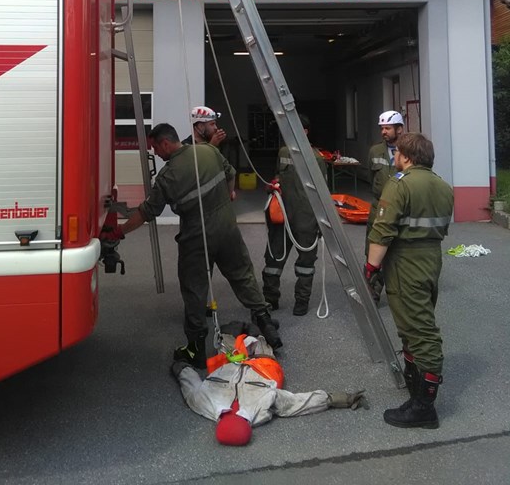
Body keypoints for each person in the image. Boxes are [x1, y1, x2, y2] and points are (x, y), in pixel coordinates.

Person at [112, 123, 282, 367]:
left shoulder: (168, 176)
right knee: (242, 274)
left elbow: (147, 212)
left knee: (194, 289)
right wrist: (227, 196)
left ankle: (195, 350)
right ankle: (265, 322)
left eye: (155, 148)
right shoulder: (208, 151)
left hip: (196, 238)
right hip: (227, 228)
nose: (156, 154)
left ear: (165, 143)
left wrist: (120, 232)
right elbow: (231, 173)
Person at [364, 132, 453, 429]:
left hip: (406, 262)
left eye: (398, 152)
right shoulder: (443, 186)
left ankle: (424, 408)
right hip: (431, 259)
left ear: (406, 156)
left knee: (421, 330)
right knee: (413, 324)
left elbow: (383, 229)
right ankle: (415, 388)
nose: (395, 156)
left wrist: (371, 267)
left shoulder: (399, 184)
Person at [171, 321, 367, 446]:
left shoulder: (203, 403)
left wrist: (181, 367)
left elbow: (190, 384)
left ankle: (253, 326)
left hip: (231, 362)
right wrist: (337, 399)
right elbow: (297, 403)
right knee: (257, 337)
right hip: (262, 366)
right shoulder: (263, 407)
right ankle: (262, 325)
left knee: (227, 333)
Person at [262, 114, 327, 316]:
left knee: (306, 263)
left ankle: (302, 301)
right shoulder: (284, 152)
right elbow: (277, 175)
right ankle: (270, 299)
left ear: (305, 132)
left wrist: (321, 223)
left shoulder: (316, 158)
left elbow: (323, 193)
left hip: (306, 220)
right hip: (281, 217)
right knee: (273, 261)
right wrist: (273, 185)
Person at [366, 110, 405, 297]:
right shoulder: (375, 151)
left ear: (399, 129)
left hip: (401, 210)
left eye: (388, 128)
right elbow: (371, 177)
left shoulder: (410, 151)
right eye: (382, 128)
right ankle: (372, 293)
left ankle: (399, 291)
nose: (383, 132)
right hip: (378, 209)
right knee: (373, 250)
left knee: (399, 250)